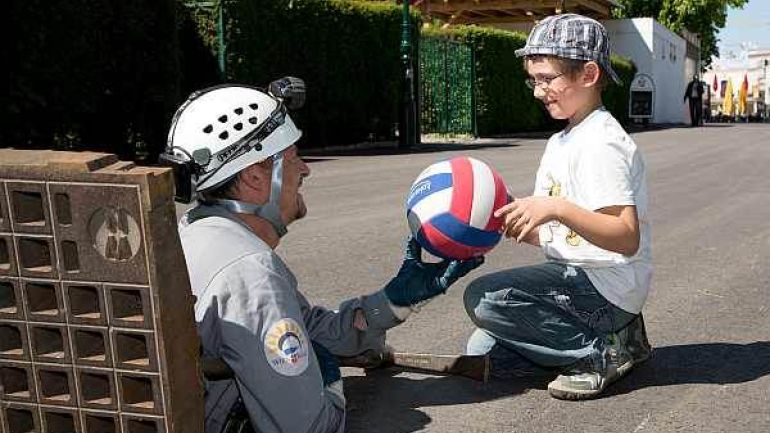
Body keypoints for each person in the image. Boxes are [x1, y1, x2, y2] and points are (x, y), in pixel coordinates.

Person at [161, 80, 483, 433]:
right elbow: (310, 427)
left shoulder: (196, 232)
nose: (305, 169)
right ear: (255, 177)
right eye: (293, 156)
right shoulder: (250, 274)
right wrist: (328, 377)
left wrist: (393, 301)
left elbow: (310, 328)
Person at [462, 14, 653, 400]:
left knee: (484, 299)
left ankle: (599, 353)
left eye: (547, 79)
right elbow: (559, 234)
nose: (537, 90)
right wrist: (502, 219)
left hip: (605, 286)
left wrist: (556, 207)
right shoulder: (561, 141)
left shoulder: (602, 142)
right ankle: (625, 337)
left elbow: (626, 236)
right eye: (533, 80)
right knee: (482, 351)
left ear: (588, 74)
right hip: (575, 279)